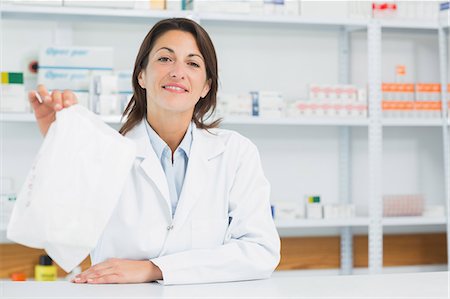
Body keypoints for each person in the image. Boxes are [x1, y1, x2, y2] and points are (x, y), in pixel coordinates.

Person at [29, 18, 280, 285]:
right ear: (141, 75)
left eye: (193, 63)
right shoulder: (104, 153)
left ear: (206, 85)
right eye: (165, 59)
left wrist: (155, 268)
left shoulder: (235, 153)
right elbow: (61, 242)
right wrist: (59, 148)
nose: (177, 72)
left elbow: (260, 251)